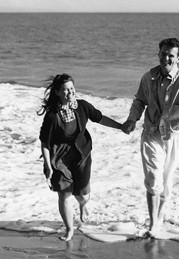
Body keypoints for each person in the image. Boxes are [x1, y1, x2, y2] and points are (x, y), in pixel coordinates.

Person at [121, 38, 179, 236]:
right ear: (158, 54)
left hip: (174, 136)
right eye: (163, 54)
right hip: (151, 133)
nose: (166, 58)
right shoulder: (148, 77)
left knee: (166, 183)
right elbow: (139, 101)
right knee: (153, 178)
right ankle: (153, 225)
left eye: (171, 55)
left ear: (178, 58)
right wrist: (132, 120)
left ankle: (159, 217)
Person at [38, 73, 122, 241]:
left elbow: (100, 118)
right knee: (64, 194)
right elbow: (45, 142)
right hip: (59, 159)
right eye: (65, 90)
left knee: (82, 195)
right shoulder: (52, 115)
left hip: (81, 155)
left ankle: (83, 205)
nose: (70, 93)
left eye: (72, 89)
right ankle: (69, 230)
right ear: (57, 92)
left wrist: (120, 126)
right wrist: (48, 166)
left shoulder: (82, 106)